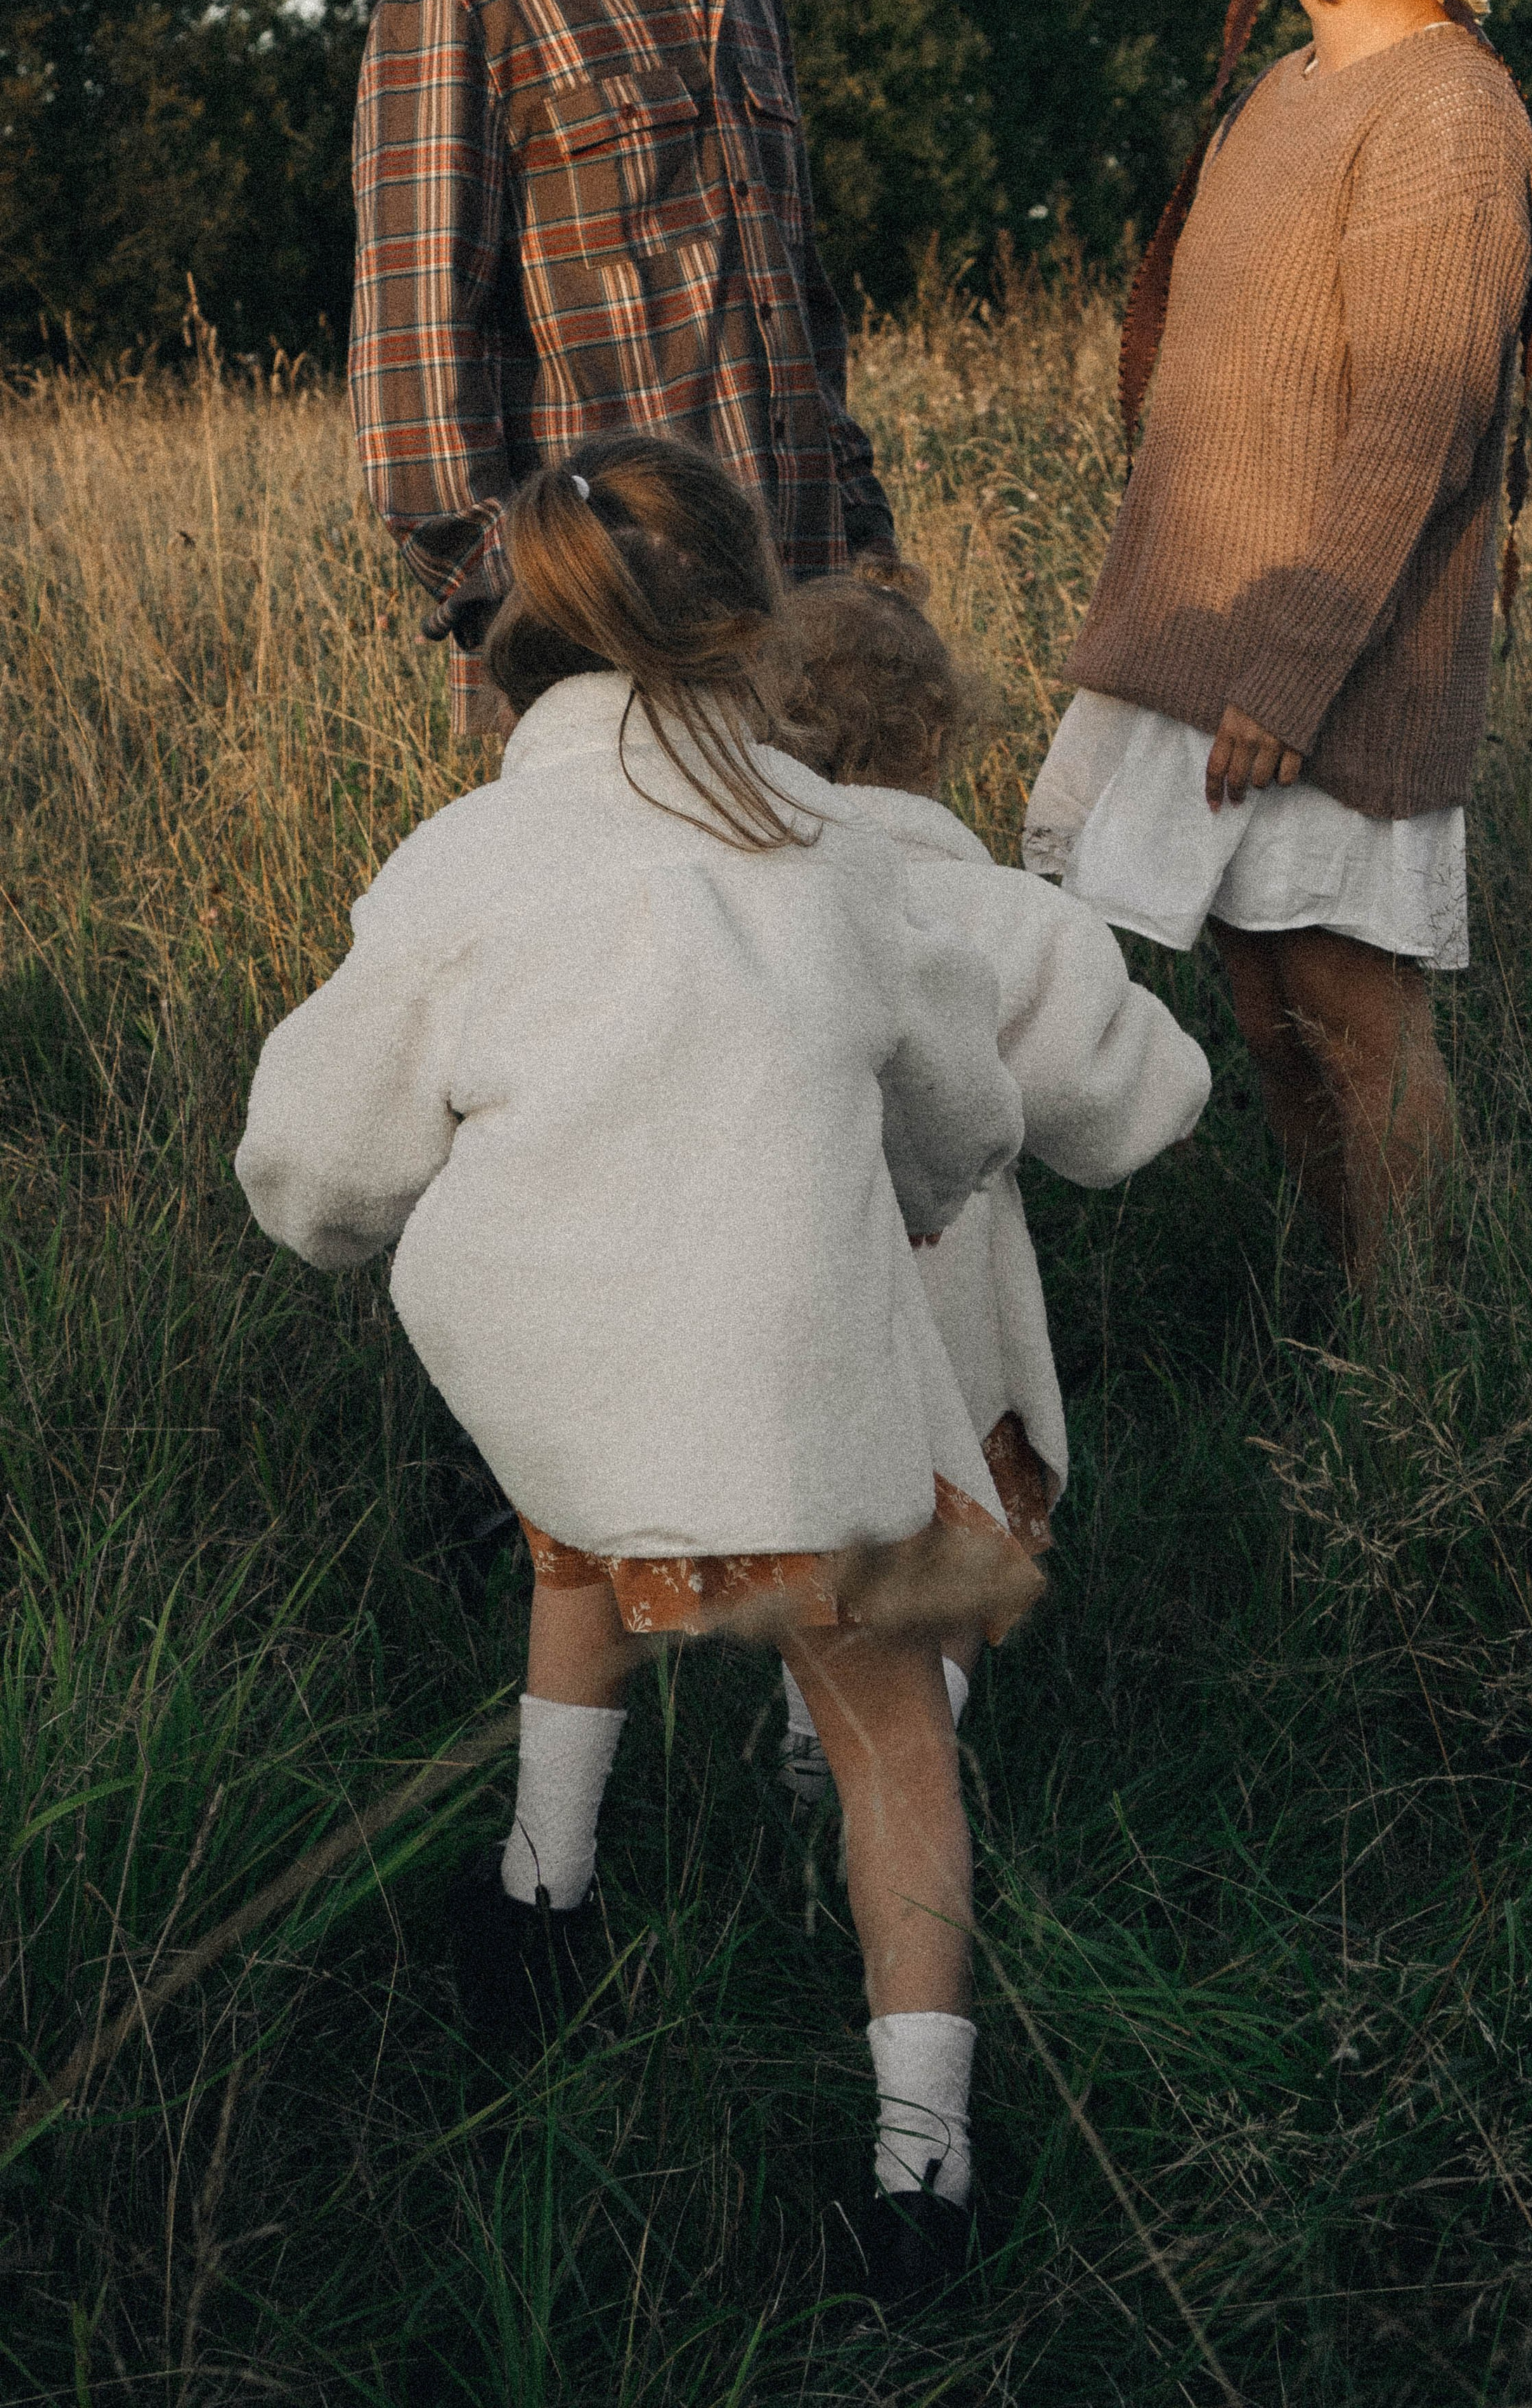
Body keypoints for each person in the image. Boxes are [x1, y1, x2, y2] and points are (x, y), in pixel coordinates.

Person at [234, 434, 1032, 2310]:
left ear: (520, 633)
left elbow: (316, 1162)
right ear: (751, 614)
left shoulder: (467, 860)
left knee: (586, 1512)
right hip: (799, 1409)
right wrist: (898, 1190)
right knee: (894, 1735)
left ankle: (541, 1890)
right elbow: (957, 1122)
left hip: (560, 1389)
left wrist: (361, 1228)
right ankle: (924, 2174)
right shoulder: (832, 849)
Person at [1024, 0, 1532, 1284]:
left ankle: (1426, 1373)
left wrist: (1297, 655)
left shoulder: (1442, 113)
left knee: (1350, 1012)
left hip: (1324, 659)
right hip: (1231, 656)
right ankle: (1358, 1315)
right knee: (1267, 999)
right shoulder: (1290, 91)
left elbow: (1415, 416)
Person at [349, 0, 895, 736]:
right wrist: (530, 606)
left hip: (808, 626)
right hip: (610, 654)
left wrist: (866, 557)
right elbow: (414, 352)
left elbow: (802, 310)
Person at [767, 573, 1214, 1800]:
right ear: (937, 737)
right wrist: (1171, 1105)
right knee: (956, 1541)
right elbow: (1109, 1087)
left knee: (810, 1524)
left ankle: (815, 1708)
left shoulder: (727, 898)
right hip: (947, 1305)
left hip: (771, 1304)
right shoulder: (1006, 919)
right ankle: (900, 1719)